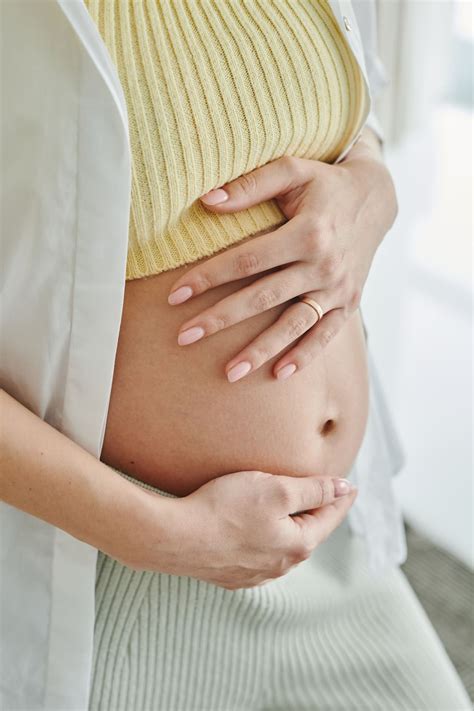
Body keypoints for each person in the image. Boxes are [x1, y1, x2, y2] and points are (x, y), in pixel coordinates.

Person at [0, 1, 471, 709]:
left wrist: (369, 183)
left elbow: (339, 111)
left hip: (328, 546)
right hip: (112, 563)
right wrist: (157, 534)